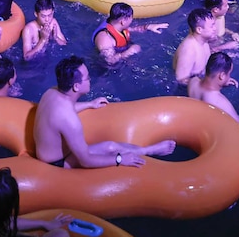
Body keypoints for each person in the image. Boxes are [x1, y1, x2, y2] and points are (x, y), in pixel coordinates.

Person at [33, 56, 176, 168]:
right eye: (87, 78)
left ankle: (147, 150)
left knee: (110, 146)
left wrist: (90, 104)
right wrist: (119, 159)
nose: (90, 80)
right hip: (56, 163)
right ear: (76, 86)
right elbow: (86, 161)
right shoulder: (69, 119)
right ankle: (149, 151)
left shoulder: (51, 92)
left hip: (44, 152)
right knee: (111, 147)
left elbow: (60, 114)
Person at [93, 2, 168, 65]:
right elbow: (109, 61)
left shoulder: (117, 26)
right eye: (131, 18)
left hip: (120, 52)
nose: (132, 20)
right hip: (105, 70)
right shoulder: (105, 38)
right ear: (123, 21)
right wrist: (129, 52)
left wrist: (148, 27)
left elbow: (133, 29)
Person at [186, 52, 239, 122]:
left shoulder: (193, 81)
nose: (229, 77)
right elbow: (237, 123)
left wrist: (223, 82)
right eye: (229, 74)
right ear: (222, 76)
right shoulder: (220, 102)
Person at [173, 8, 218, 85]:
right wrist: (209, 83)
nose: (215, 28)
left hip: (199, 79)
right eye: (211, 26)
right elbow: (180, 80)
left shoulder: (203, 41)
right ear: (199, 30)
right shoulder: (189, 51)